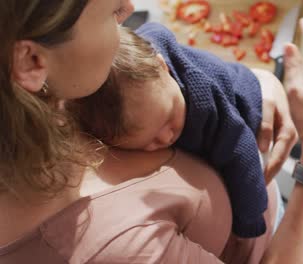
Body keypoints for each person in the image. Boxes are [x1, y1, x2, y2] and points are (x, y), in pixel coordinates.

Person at [0, 1, 303, 263]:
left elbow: (168, 70)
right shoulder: (113, 248)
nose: (129, 8)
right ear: (30, 61)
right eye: (108, 12)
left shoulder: (47, 94)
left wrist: (252, 84)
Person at [69, 24, 289, 238]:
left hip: (250, 117)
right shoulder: (142, 78)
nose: (167, 137)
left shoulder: (206, 104)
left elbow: (243, 155)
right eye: (150, 142)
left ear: (162, 65)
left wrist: (250, 222)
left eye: (170, 116)